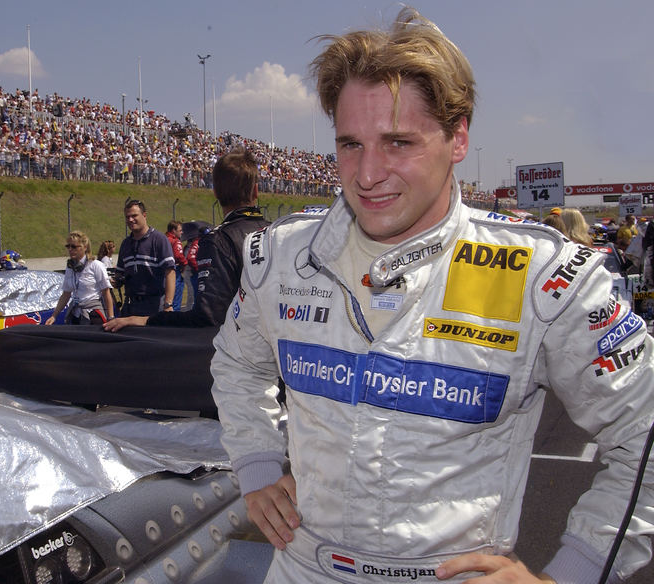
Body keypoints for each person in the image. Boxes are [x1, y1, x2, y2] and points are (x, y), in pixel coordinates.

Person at [210, 8, 654, 584]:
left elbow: (643, 435)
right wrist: (257, 465)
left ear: (458, 136)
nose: (367, 174)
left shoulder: (543, 276)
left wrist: (569, 573)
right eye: (350, 144)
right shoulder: (283, 257)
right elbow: (237, 365)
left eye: (398, 142)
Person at [104, 148, 269, 331]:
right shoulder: (278, 232)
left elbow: (208, 315)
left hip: (242, 348)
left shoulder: (218, 240)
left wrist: (147, 321)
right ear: (256, 191)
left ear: (215, 192)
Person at [115, 200, 175, 317]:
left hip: (154, 303)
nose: (130, 220)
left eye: (134, 216)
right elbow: (120, 273)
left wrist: (168, 304)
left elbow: (170, 272)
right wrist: (116, 281)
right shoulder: (125, 244)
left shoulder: (159, 239)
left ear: (144, 215)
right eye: (127, 217)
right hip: (130, 305)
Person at [45, 231, 114, 325]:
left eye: (74, 247)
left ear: (85, 247)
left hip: (93, 314)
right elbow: (66, 294)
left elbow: (106, 293)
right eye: (68, 246)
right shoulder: (70, 268)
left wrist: (111, 318)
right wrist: (54, 316)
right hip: (76, 313)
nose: (70, 249)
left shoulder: (95, 265)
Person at [166, 220, 188, 311]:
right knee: (176, 298)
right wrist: (185, 264)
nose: (182, 232)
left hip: (163, 271)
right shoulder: (175, 241)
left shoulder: (162, 239)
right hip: (175, 270)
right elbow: (178, 255)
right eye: (180, 230)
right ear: (173, 231)